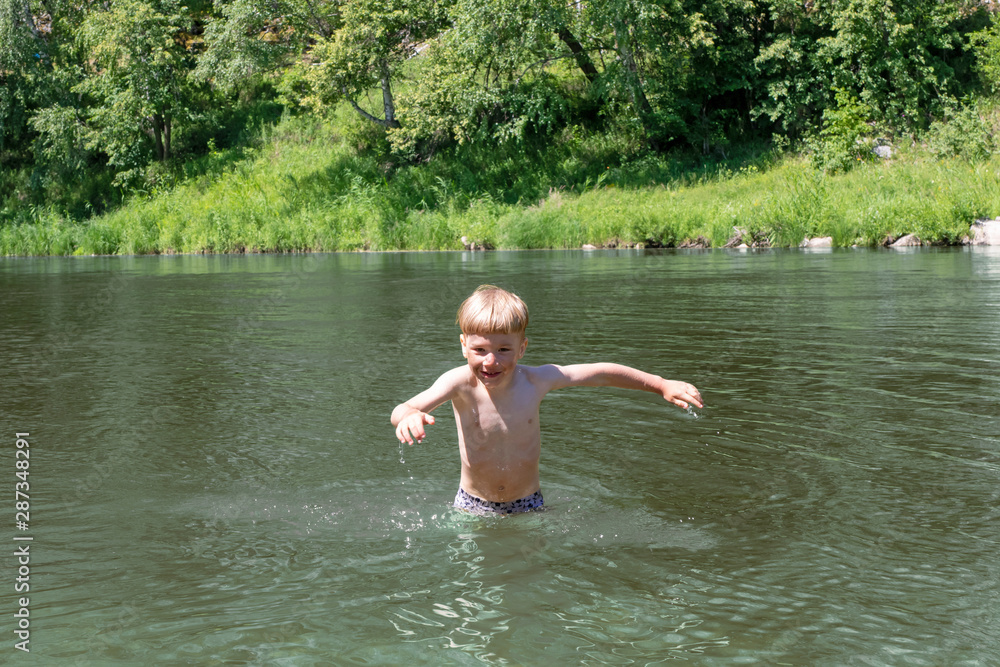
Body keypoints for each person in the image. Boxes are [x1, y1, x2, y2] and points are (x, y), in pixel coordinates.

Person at [390, 285, 703, 515]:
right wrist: (409, 416)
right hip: (472, 503)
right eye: (480, 350)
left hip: (529, 502)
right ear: (463, 345)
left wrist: (661, 384)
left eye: (503, 350)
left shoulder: (536, 381)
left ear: (522, 348)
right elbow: (403, 408)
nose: (491, 361)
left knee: (531, 572)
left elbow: (600, 374)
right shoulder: (459, 383)